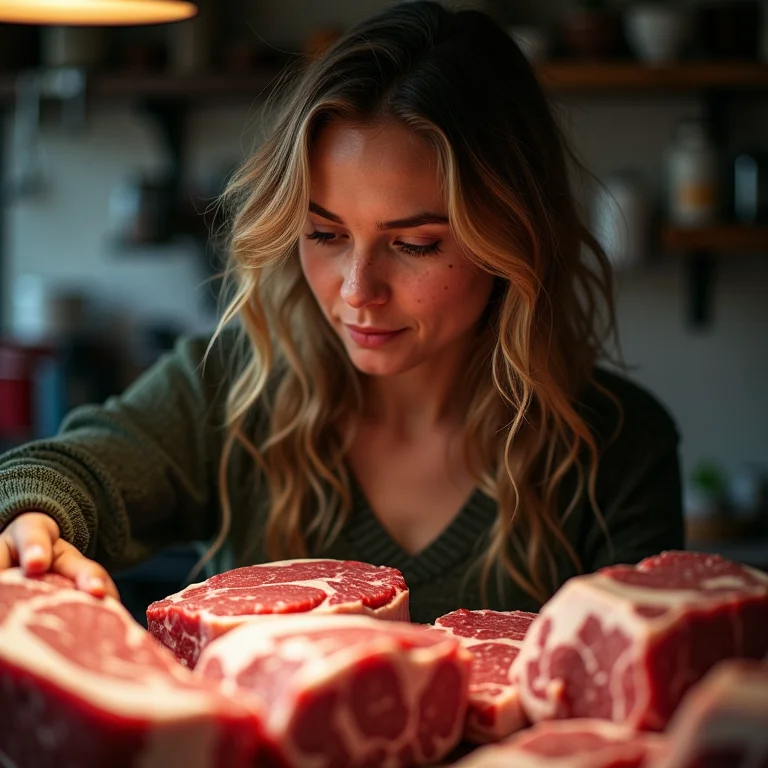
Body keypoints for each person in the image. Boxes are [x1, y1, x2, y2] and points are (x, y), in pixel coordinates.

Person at [0, 1, 683, 624]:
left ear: (513, 240)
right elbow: (60, 472)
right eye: (324, 233)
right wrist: (33, 519)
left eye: (415, 244)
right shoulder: (238, 384)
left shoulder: (617, 449)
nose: (358, 290)